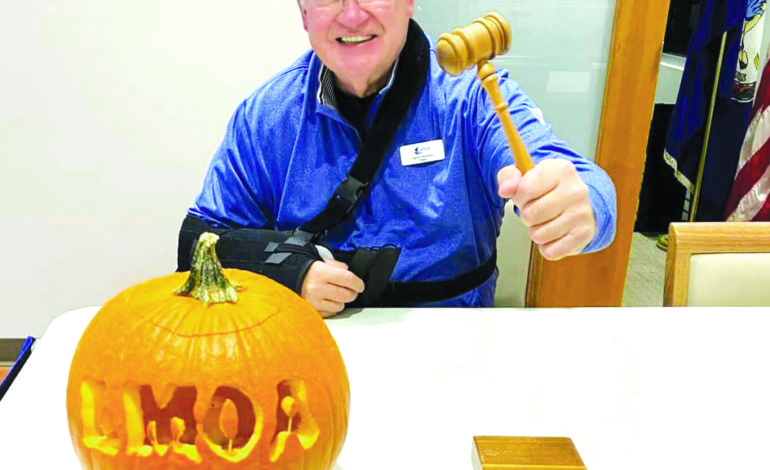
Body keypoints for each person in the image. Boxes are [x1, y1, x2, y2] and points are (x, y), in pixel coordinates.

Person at [178, 0, 617, 316]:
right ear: (303, 11)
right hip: (312, 346)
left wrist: (582, 207)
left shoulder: (471, 100)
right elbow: (200, 240)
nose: (352, 15)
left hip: (456, 346)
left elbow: (581, 182)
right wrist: (286, 271)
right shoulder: (267, 116)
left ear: (409, 2)